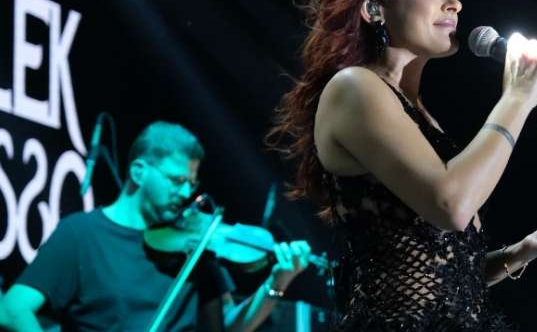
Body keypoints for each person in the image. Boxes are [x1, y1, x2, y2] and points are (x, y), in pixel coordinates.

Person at [267, 0, 537, 331]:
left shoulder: (416, 111)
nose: (454, 3)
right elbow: (451, 206)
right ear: (374, 8)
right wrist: (518, 98)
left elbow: (442, 275)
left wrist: (522, 252)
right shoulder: (354, 87)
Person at [0, 121, 311, 332]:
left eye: (191, 183)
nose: (186, 193)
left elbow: (227, 326)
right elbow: (12, 310)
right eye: (177, 180)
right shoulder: (80, 235)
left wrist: (276, 283)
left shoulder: (194, 246)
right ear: (139, 172)